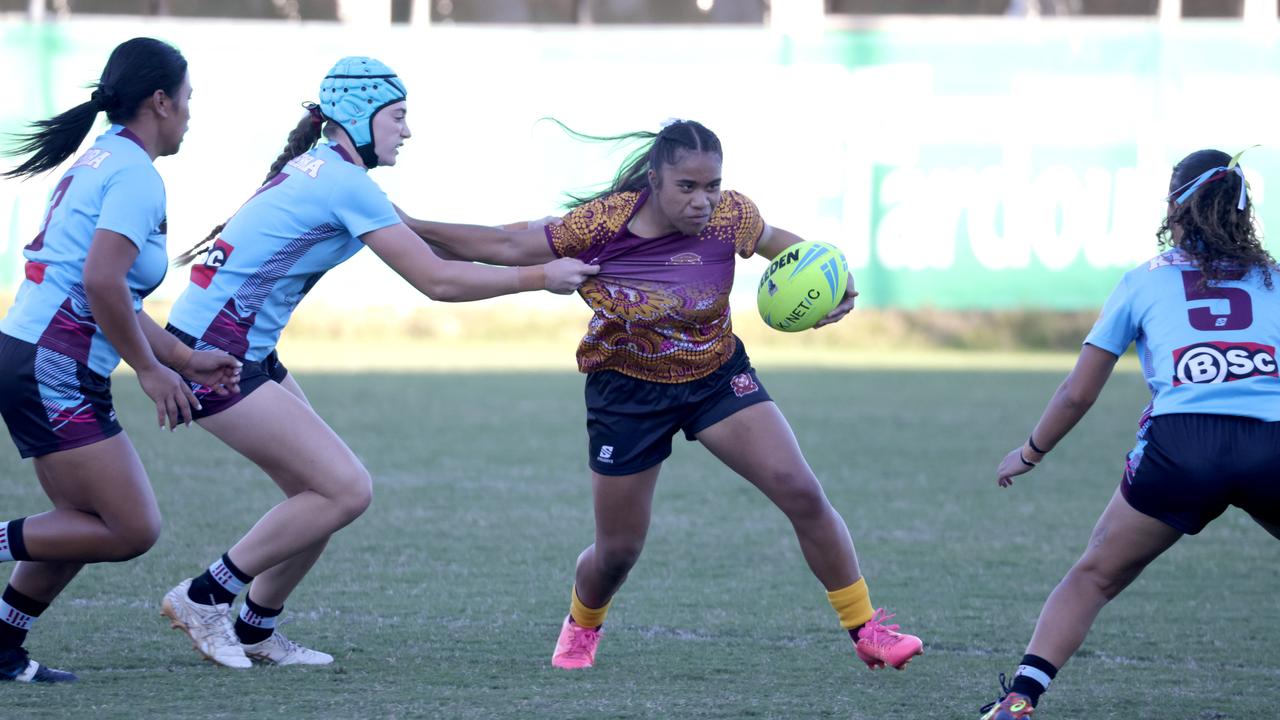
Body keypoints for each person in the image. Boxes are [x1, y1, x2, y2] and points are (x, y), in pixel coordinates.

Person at [406, 119, 924, 671]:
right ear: (655, 179)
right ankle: (584, 622)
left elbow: (782, 245)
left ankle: (867, 629)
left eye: (713, 186)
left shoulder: (732, 217)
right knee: (618, 552)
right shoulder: (604, 223)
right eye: (688, 187)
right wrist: (403, 225)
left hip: (716, 378)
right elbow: (504, 245)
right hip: (627, 393)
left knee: (800, 490)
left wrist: (833, 280)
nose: (703, 201)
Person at [157, 57, 597, 669]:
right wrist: (538, 277)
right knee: (344, 490)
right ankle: (205, 599)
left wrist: (540, 238)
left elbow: (429, 236)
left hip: (239, 350)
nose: (407, 131)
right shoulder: (343, 182)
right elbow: (437, 280)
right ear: (360, 117)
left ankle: (256, 629)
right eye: (398, 117)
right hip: (211, 359)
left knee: (317, 499)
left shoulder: (330, 172)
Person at [980, 149, 1280, 719]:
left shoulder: (1143, 280)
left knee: (1093, 576)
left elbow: (1078, 393)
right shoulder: (1276, 281)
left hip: (1181, 448)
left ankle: (1020, 700)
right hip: (1273, 442)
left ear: (1175, 208)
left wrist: (1030, 452)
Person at [0, 37, 242, 683]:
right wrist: (152, 370)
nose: (191, 113)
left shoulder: (104, 160)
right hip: (53, 362)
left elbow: (115, 294)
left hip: (44, 355)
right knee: (129, 529)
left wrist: (182, 359)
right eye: (187, 99)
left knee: (82, 524)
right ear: (159, 102)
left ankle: (1, 646)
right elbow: (103, 283)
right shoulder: (134, 174)